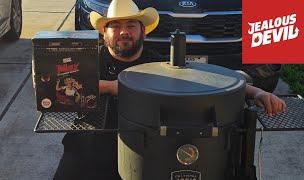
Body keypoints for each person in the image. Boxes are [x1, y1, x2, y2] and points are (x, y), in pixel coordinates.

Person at [54, 0, 286, 179]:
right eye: (115, 26)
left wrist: (257, 93)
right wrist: (112, 87)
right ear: (104, 33)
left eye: (131, 25)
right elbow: (56, 86)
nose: (123, 32)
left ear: (143, 31)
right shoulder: (87, 61)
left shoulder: (158, 64)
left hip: (141, 148)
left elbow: (210, 79)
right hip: (92, 143)